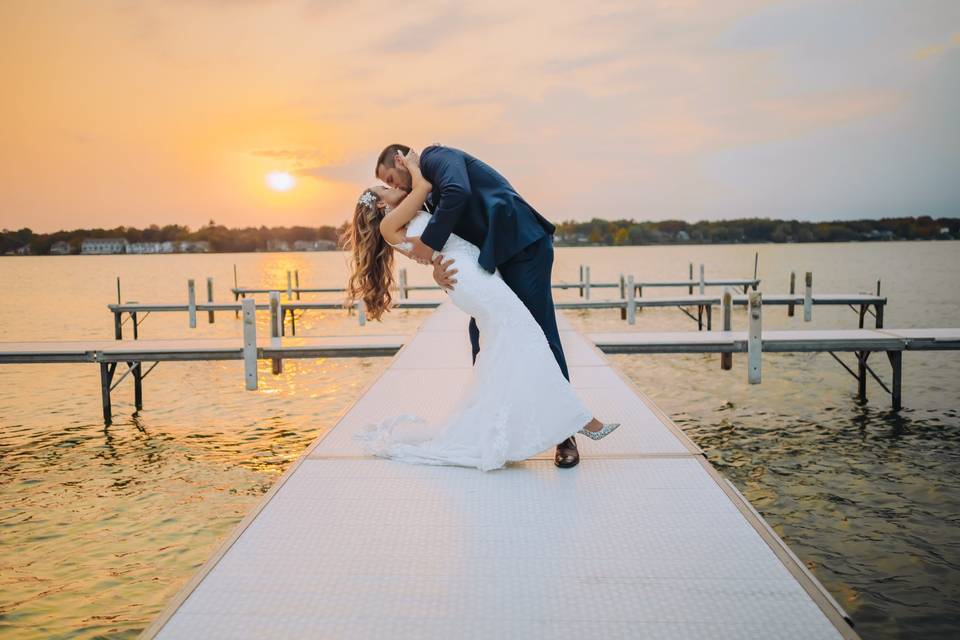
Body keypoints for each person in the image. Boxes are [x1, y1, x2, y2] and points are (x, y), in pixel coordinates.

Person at [342, 149, 619, 472]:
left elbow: (457, 194)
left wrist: (431, 252)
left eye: (389, 179)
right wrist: (433, 262)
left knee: (523, 336)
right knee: (516, 337)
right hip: (478, 273)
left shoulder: (436, 158)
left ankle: (556, 431)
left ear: (400, 162)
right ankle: (554, 421)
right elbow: (428, 243)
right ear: (378, 205)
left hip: (519, 248)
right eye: (385, 187)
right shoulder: (412, 201)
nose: (392, 186)